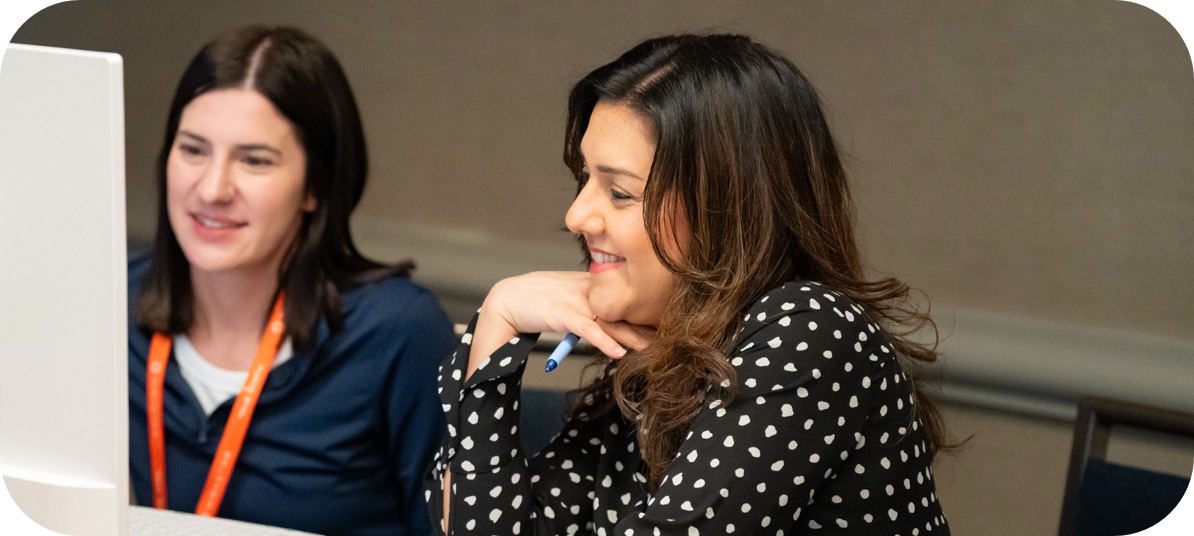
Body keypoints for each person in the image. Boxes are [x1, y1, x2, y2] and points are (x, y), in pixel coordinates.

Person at [430, 34, 951, 535]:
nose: (575, 216)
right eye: (583, 179)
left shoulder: (811, 331)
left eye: (619, 192)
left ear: (724, 209)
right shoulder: (650, 355)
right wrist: (497, 324)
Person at [127, 26, 456, 536]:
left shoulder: (397, 332)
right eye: (193, 150)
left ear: (314, 189)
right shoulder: (103, 299)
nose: (212, 188)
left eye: (254, 160)